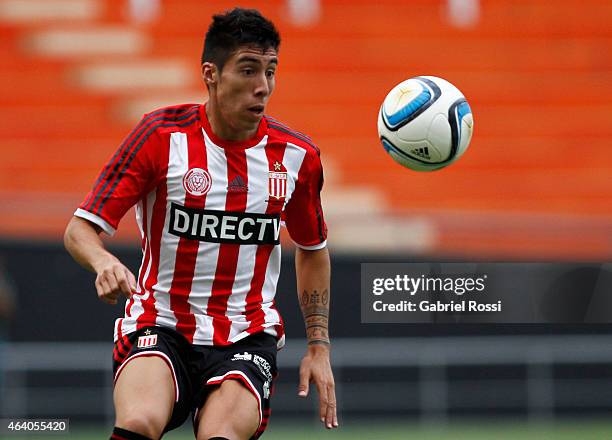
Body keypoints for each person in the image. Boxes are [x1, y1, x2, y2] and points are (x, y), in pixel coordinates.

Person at [64, 8, 337, 440]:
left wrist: (318, 346)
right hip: (160, 321)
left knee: (221, 434)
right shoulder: (160, 136)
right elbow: (80, 229)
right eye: (248, 70)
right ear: (210, 73)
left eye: (270, 71)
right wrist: (102, 262)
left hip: (246, 334)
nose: (262, 87)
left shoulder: (297, 158)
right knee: (138, 422)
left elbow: (312, 248)